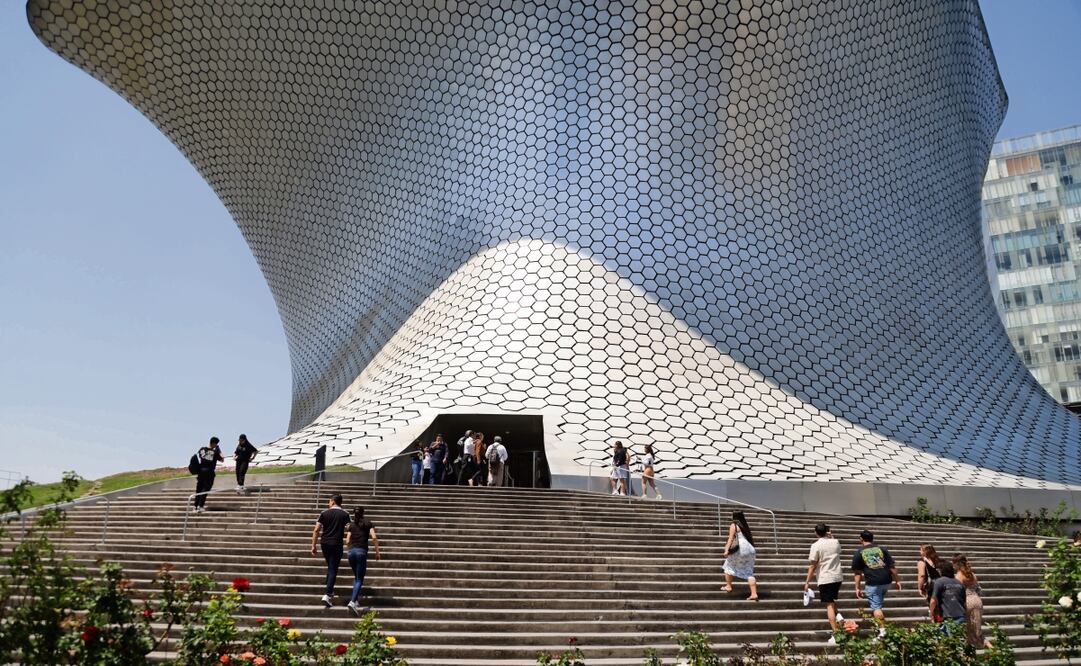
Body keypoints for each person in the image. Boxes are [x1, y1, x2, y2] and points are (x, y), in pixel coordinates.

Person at [852, 530, 901, 636]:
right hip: (886, 581)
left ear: (861, 539)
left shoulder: (859, 552)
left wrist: (857, 587)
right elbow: (892, 567)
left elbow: (857, 573)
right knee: (878, 604)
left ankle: (883, 632)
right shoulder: (882, 549)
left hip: (873, 582)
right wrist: (897, 580)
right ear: (872, 538)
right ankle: (880, 626)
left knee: (876, 607)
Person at [804, 523, 843, 643]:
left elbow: (813, 565)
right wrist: (831, 536)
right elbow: (838, 550)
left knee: (829, 604)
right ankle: (839, 617)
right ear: (827, 531)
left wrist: (807, 582)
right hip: (837, 576)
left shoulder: (815, 545)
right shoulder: (835, 542)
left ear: (816, 532)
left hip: (825, 578)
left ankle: (836, 634)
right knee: (831, 600)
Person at [311, 493, 350, 607]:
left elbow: (316, 530)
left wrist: (313, 545)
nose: (328, 503)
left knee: (330, 566)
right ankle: (327, 594)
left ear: (333, 501)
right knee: (333, 568)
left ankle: (329, 589)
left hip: (325, 543)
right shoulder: (345, 514)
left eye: (329, 501)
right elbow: (350, 529)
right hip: (336, 543)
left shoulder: (324, 513)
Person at [344, 506, 381, 615]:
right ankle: (353, 601)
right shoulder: (368, 523)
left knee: (356, 577)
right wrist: (377, 552)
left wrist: (351, 548)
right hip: (361, 552)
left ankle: (356, 601)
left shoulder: (351, 525)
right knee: (360, 579)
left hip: (351, 552)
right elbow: (374, 537)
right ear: (363, 513)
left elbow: (347, 541)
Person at [722, 510, 759, 601]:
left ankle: (728, 586)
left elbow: (730, 539)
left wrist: (726, 550)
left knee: (728, 565)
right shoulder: (744, 526)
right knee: (749, 572)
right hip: (750, 549)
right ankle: (754, 594)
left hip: (741, 548)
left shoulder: (733, 525)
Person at [952, 554, 987, 647]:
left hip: (967, 602)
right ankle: (993, 651)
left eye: (953, 563)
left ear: (957, 564)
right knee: (977, 630)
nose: (952, 565)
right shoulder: (972, 574)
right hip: (977, 600)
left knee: (968, 631)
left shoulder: (958, 576)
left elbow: (958, 591)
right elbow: (978, 589)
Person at [929, 561, 966, 633]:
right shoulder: (959, 583)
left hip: (949, 617)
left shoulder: (939, 581)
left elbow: (933, 600)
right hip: (961, 616)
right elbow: (964, 602)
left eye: (939, 570)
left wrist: (931, 613)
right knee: (958, 639)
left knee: (949, 640)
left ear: (941, 571)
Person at [193, 437, 224, 513]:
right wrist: (219, 450)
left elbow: (199, 457)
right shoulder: (215, 452)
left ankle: (195, 506)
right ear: (214, 443)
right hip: (209, 472)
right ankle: (201, 506)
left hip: (200, 471)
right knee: (205, 489)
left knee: (199, 489)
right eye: (216, 444)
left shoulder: (202, 449)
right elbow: (222, 459)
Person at [916, 544, 942, 620]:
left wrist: (920, 587)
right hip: (940, 583)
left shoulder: (922, 561)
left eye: (921, 549)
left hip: (931, 585)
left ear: (925, 551)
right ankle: (941, 622)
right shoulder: (937, 560)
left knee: (932, 605)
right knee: (939, 605)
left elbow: (922, 575)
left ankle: (935, 622)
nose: (919, 551)